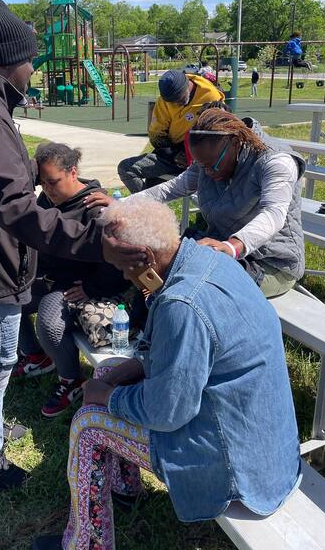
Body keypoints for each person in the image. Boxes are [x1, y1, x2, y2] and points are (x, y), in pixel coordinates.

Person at [0, 0, 146, 492]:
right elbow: (16, 209)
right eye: (30, 60)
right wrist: (97, 242)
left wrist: (37, 170)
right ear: (9, 60)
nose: (33, 70)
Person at [33, 198, 301, 550]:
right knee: (110, 369)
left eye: (122, 267)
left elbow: (167, 411)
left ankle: (86, 544)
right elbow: (200, 353)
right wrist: (136, 368)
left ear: (144, 257)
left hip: (238, 465)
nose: (124, 276)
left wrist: (109, 397)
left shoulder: (182, 304)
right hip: (264, 440)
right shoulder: (208, 258)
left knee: (87, 425)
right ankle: (125, 488)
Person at [86, 107, 305, 298]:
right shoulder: (209, 161)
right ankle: (142, 313)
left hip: (271, 263)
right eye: (201, 166)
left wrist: (233, 246)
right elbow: (170, 189)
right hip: (221, 248)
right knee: (161, 261)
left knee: (190, 285)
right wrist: (121, 204)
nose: (207, 172)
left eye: (212, 165)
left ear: (235, 143)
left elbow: (273, 213)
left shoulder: (276, 162)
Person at [13, 142, 129, 417]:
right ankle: (35, 356)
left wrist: (91, 287)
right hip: (47, 278)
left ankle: (71, 379)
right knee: (6, 298)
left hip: (75, 287)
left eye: (53, 182)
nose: (47, 189)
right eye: (42, 183)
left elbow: (117, 263)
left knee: (49, 323)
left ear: (73, 172)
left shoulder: (96, 207)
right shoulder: (46, 200)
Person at [118, 69, 224, 193]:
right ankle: (148, 204)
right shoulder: (164, 101)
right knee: (127, 169)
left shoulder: (210, 96)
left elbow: (219, 134)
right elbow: (156, 136)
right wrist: (174, 155)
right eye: (172, 102)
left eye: (179, 99)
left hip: (201, 155)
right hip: (171, 151)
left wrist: (194, 156)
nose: (177, 104)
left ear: (187, 86)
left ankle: (149, 201)